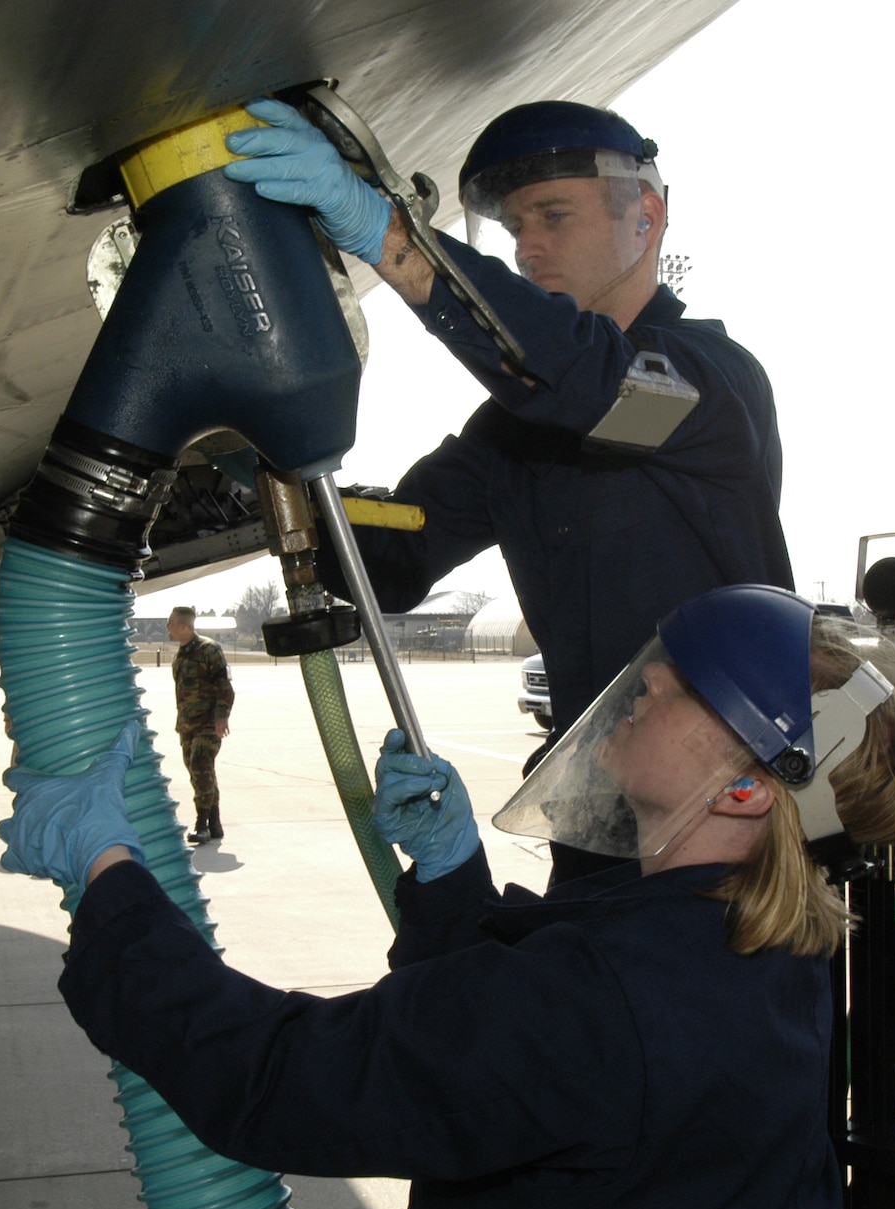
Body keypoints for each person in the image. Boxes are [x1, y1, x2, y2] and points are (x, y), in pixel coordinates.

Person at [0, 585, 895, 1209]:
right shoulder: (767, 944)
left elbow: (282, 1077)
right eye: (655, 666)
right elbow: (521, 1057)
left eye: (679, 690)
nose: (640, 688)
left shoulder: (602, 993)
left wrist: (109, 871)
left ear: (749, 791)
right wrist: (455, 874)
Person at [221, 99, 796, 880]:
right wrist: (260, 462)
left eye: (553, 216)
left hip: (725, 837)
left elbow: (594, 384)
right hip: (596, 824)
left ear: (647, 216)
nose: (528, 246)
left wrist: (396, 245)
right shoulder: (519, 429)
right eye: (515, 226)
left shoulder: (702, 387)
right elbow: (399, 548)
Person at [166, 606, 232, 844]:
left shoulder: (209, 650)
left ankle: (201, 824)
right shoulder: (181, 654)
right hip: (187, 725)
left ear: (183, 627)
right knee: (199, 774)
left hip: (207, 723)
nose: (168, 628)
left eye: (171, 623)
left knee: (200, 766)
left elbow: (225, 686)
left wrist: (221, 717)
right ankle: (215, 822)